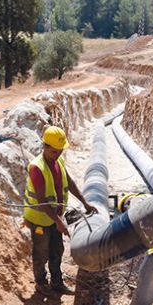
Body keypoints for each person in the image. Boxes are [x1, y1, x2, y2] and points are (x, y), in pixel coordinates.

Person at [24, 126, 98, 296]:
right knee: (41, 253)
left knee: (57, 250)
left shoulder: (59, 161)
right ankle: (41, 284)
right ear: (45, 146)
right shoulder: (37, 168)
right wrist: (59, 222)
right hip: (40, 219)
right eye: (54, 151)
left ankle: (57, 282)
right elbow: (42, 201)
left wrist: (84, 202)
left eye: (60, 151)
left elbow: (69, 182)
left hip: (55, 216)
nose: (57, 154)